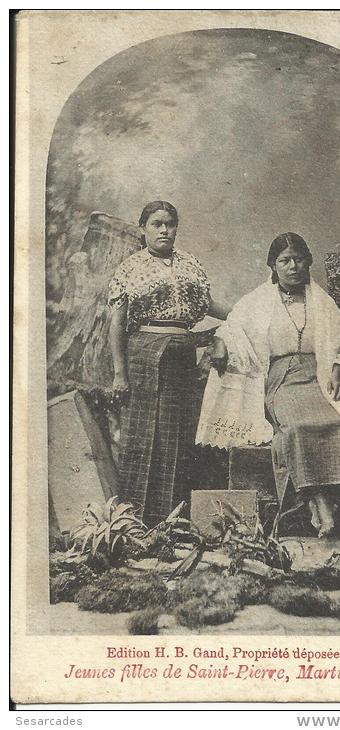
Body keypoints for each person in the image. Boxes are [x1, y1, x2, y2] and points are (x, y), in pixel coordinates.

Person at [196, 232, 340, 537]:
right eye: (285, 261)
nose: (293, 266)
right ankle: (321, 503)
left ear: (308, 262)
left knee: (338, 421)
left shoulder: (321, 302)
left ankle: (320, 503)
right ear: (273, 265)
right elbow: (232, 327)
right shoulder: (258, 300)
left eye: (299, 259)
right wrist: (219, 345)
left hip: (320, 373)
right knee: (297, 427)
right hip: (281, 378)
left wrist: (337, 372)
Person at [108, 200, 229, 526]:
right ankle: (136, 521)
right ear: (143, 228)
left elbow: (208, 306)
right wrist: (120, 373)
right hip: (143, 355)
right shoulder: (130, 268)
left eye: (170, 224)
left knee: (177, 436)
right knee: (143, 434)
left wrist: (246, 312)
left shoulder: (190, 265)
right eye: (156, 224)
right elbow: (117, 323)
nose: (164, 230)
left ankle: (173, 520)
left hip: (181, 356)